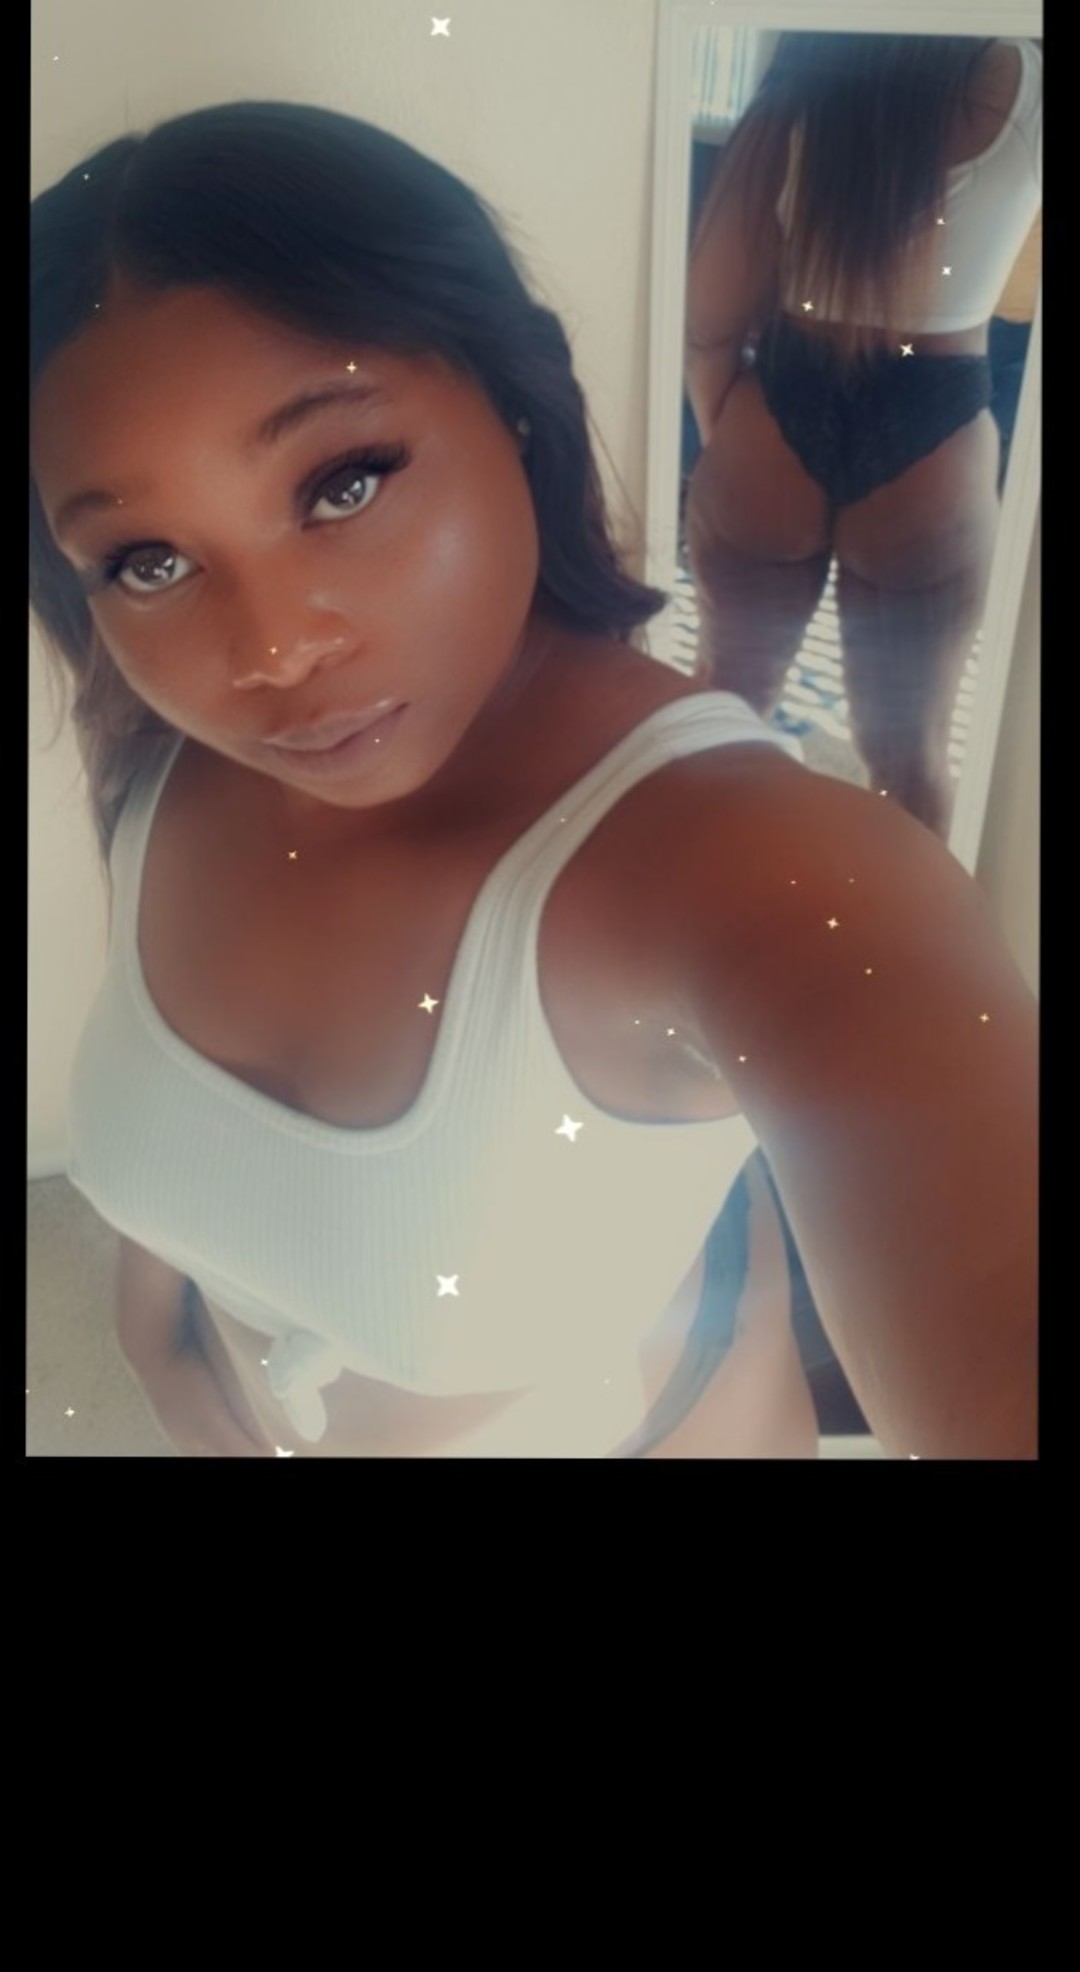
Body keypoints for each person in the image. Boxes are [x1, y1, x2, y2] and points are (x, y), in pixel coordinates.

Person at [29, 101, 1037, 1458]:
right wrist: (164, 1352)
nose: (270, 652)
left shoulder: (764, 872)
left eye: (343, 482)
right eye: (147, 561)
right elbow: (185, 1168)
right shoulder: (163, 754)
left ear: (515, 393)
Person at [684, 34, 1042, 838]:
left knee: (728, 708)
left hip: (778, 409)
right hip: (936, 436)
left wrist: (731, 438)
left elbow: (709, 327)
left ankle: (707, 898)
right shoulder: (1029, 75)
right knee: (908, 759)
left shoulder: (812, 59)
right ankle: (897, 917)